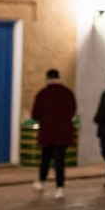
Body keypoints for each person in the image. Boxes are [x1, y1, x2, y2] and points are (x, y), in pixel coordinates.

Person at [31, 68, 77, 199]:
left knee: (45, 158)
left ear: (47, 78)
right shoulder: (68, 93)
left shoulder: (43, 93)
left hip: (47, 132)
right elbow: (72, 110)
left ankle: (41, 182)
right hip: (63, 133)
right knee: (59, 161)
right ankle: (60, 188)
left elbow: (35, 114)